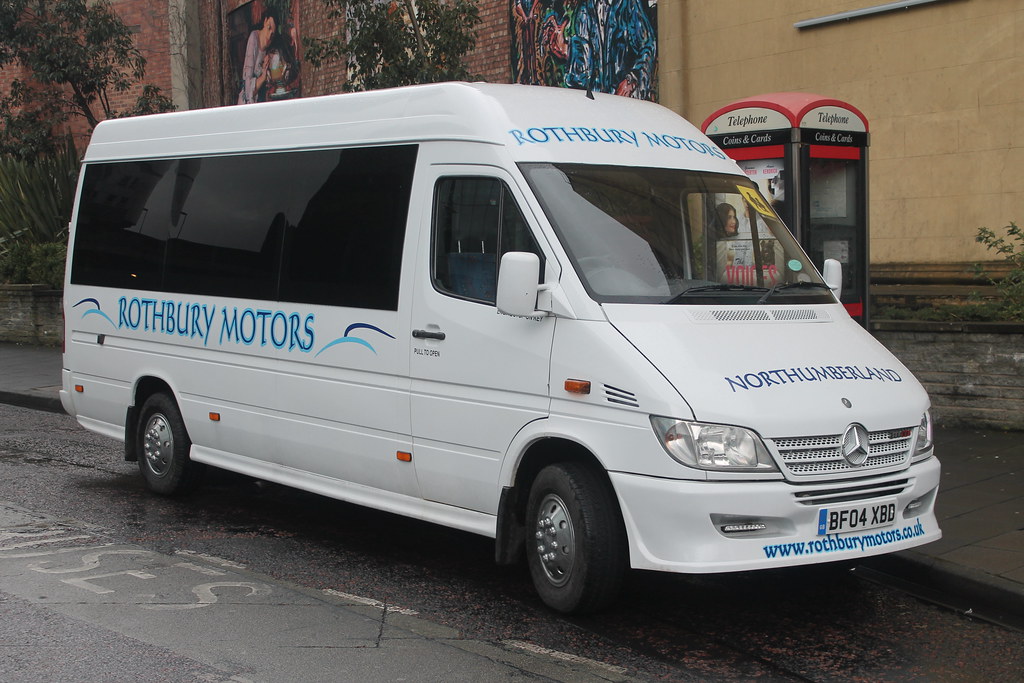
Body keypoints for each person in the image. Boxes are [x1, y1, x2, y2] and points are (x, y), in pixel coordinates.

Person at [237, 11, 277, 105]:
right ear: (265, 21)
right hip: (248, 102)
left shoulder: (268, 50)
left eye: (272, 34)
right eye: (269, 27)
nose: (269, 35)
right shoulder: (254, 38)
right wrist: (263, 77)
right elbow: (248, 87)